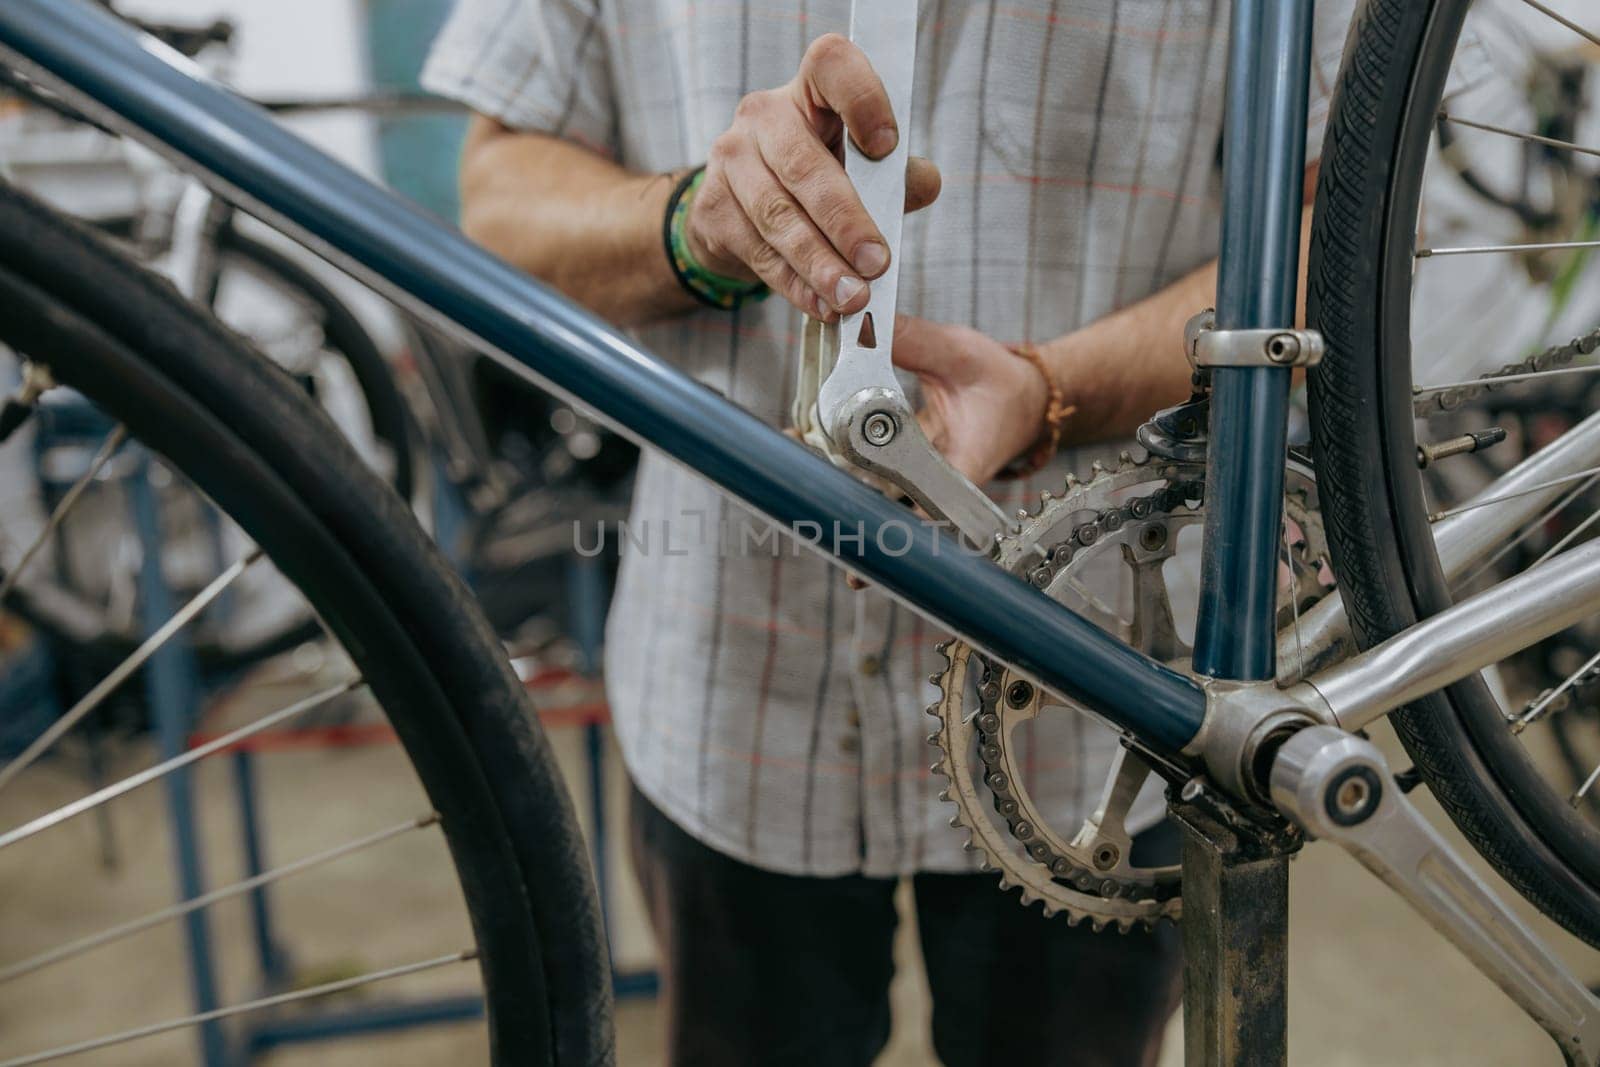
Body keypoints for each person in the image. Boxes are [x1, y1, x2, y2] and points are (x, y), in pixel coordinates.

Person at [424, 3, 1351, 1064]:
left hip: (1097, 719)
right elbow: (498, 192)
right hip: (732, 696)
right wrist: (699, 225)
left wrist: (1058, 389)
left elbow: (1347, 225)